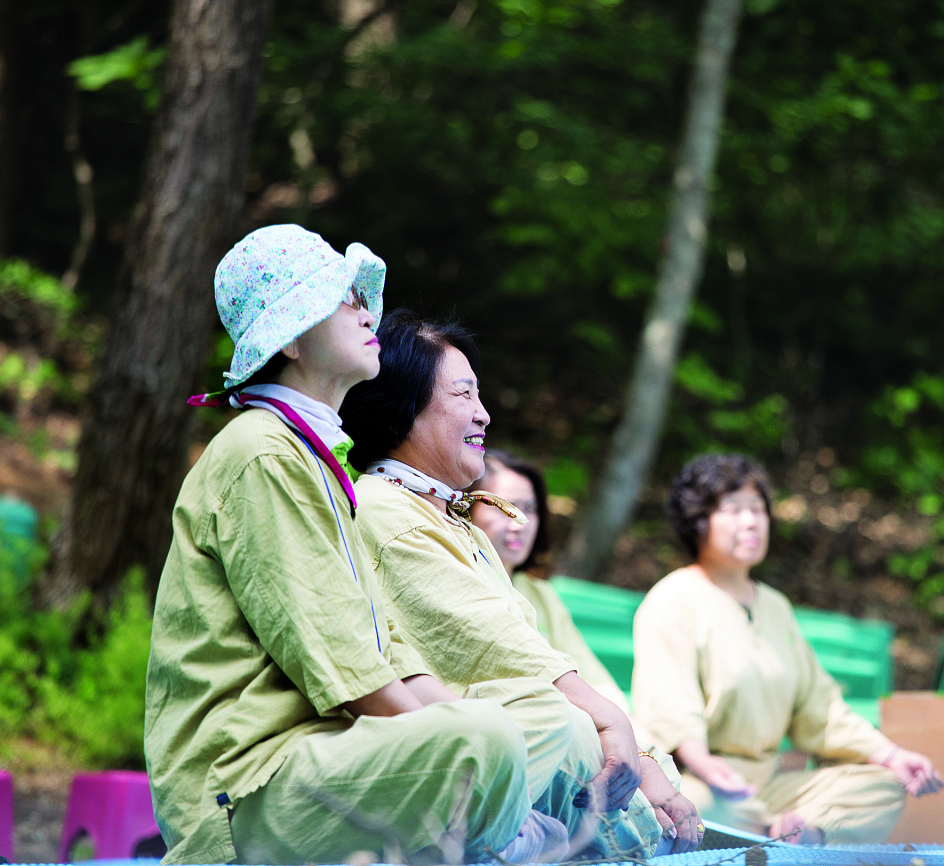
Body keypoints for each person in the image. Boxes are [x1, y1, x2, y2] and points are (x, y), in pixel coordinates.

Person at [145, 225, 571, 866]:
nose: (365, 311)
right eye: (341, 300)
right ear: (290, 339)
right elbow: (343, 666)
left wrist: (479, 734)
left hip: (321, 756)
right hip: (246, 787)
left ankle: (500, 835)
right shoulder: (261, 451)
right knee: (483, 742)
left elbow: (384, 653)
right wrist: (474, 747)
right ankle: (506, 840)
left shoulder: (315, 457)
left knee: (525, 729)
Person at [341, 309, 702, 858]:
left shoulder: (456, 524)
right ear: (398, 415)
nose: (483, 414)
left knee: (575, 727)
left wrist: (645, 756)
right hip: (426, 758)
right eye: (463, 395)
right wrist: (614, 727)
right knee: (554, 720)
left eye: (479, 395)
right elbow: (492, 649)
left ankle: (635, 823)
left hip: (516, 749)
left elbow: (536, 655)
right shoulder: (380, 509)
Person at [632, 453, 944, 845]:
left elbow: (820, 707)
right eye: (734, 510)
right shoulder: (671, 599)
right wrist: (705, 764)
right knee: (684, 805)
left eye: (758, 510)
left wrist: (890, 755)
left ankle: (801, 833)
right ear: (699, 522)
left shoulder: (775, 607)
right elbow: (669, 704)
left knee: (882, 785)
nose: (751, 522)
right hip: (701, 782)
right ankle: (768, 834)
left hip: (768, 786)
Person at [467, 449, 632, 716]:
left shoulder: (540, 594)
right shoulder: (460, 582)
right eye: (503, 507)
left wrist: (633, 733)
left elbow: (594, 680)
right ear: (465, 508)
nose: (520, 522)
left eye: (530, 508)